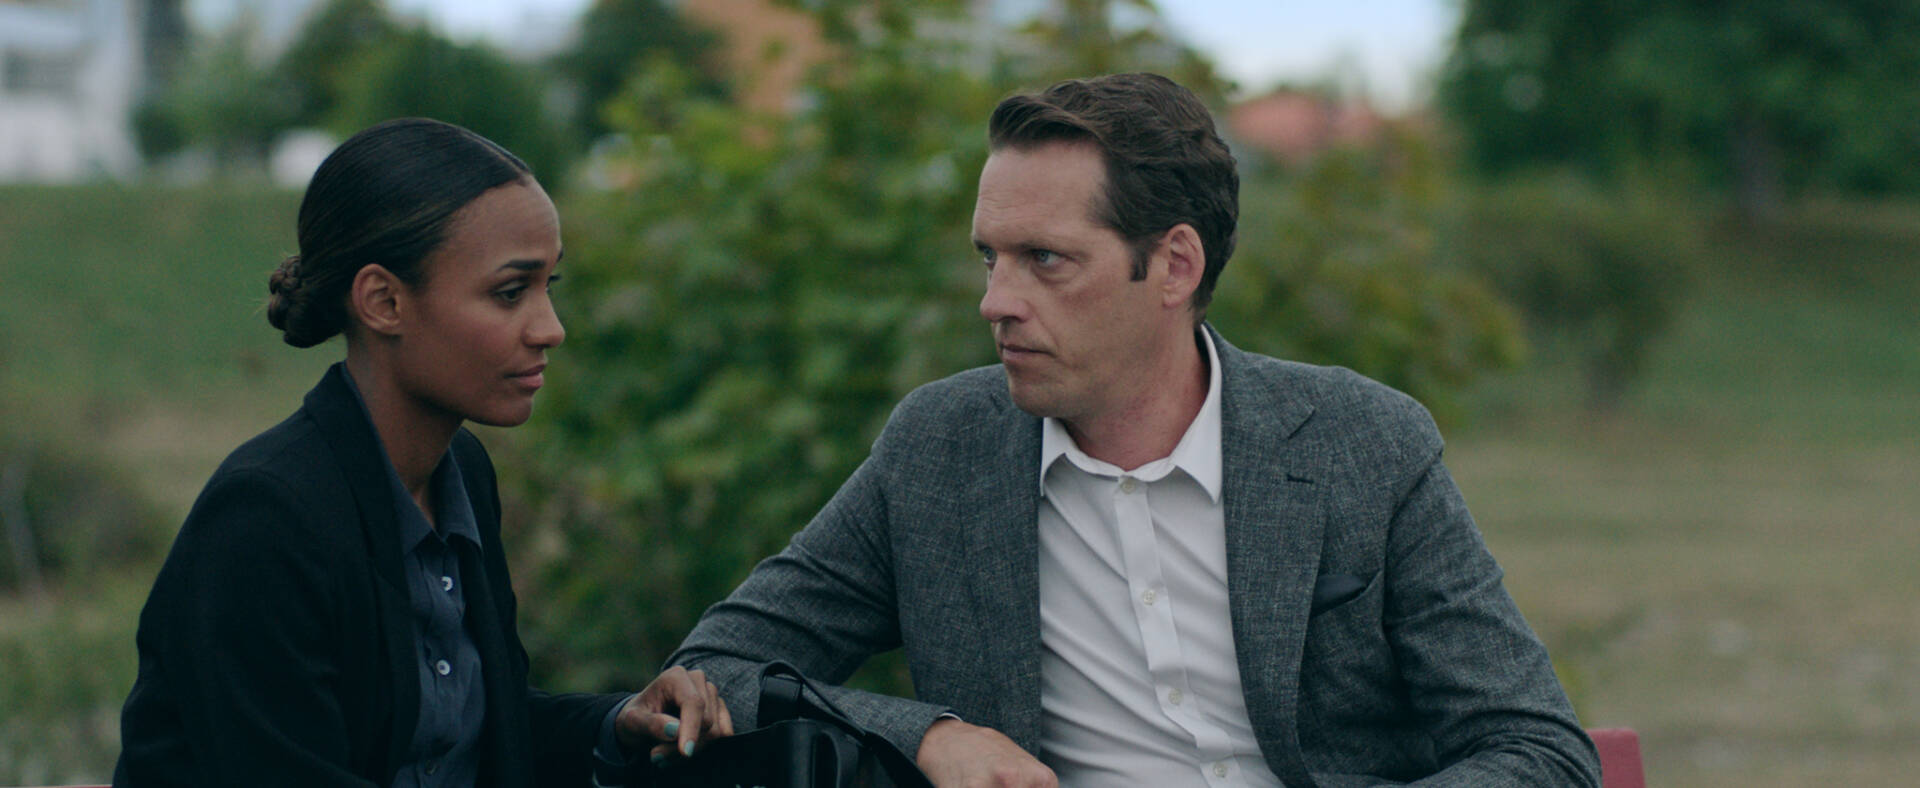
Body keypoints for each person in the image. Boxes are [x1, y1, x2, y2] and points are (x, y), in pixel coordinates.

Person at [669, 74, 1600, 787]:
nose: (996, 301)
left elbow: (1539, 751)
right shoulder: (942, 451)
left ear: (1175, 265)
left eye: (1045, 260)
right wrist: (930, 737)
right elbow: (712, 673)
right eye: (991, 259)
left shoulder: (1362, 443)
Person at [115, 118, 730, 787]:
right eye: (509, 293)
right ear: (384, 301)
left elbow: (474, 732)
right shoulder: (266, 517)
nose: (550, 329)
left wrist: (617, 723)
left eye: (548, 287)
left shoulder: (461, 472)